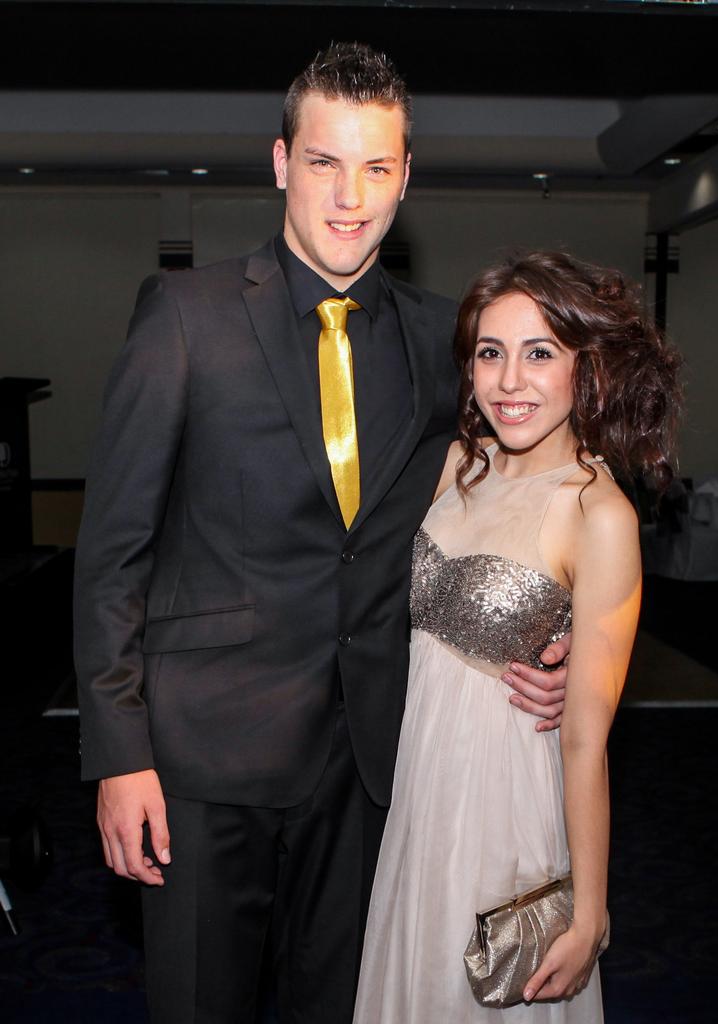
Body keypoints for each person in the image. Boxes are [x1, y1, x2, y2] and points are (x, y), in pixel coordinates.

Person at [73, 44, 570, 1024]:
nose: (351, 195)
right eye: (325, 162)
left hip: (371, 763)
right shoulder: (184, 317)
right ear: (279, 163)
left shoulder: (443, 340)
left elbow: (493, 506)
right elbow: (111, 554)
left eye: (377, 166)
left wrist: (538, 636)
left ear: (405, 176)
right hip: (204, 765)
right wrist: (118, 754)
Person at [353, 251, 681, 1022]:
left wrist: (589, 912)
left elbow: (585, 743)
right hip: (419, 784)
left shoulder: (597, 514)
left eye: (540, 354)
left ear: (585, 367)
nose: (509, 381)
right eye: (490, 353)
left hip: (501, 802)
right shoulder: (457, 463)